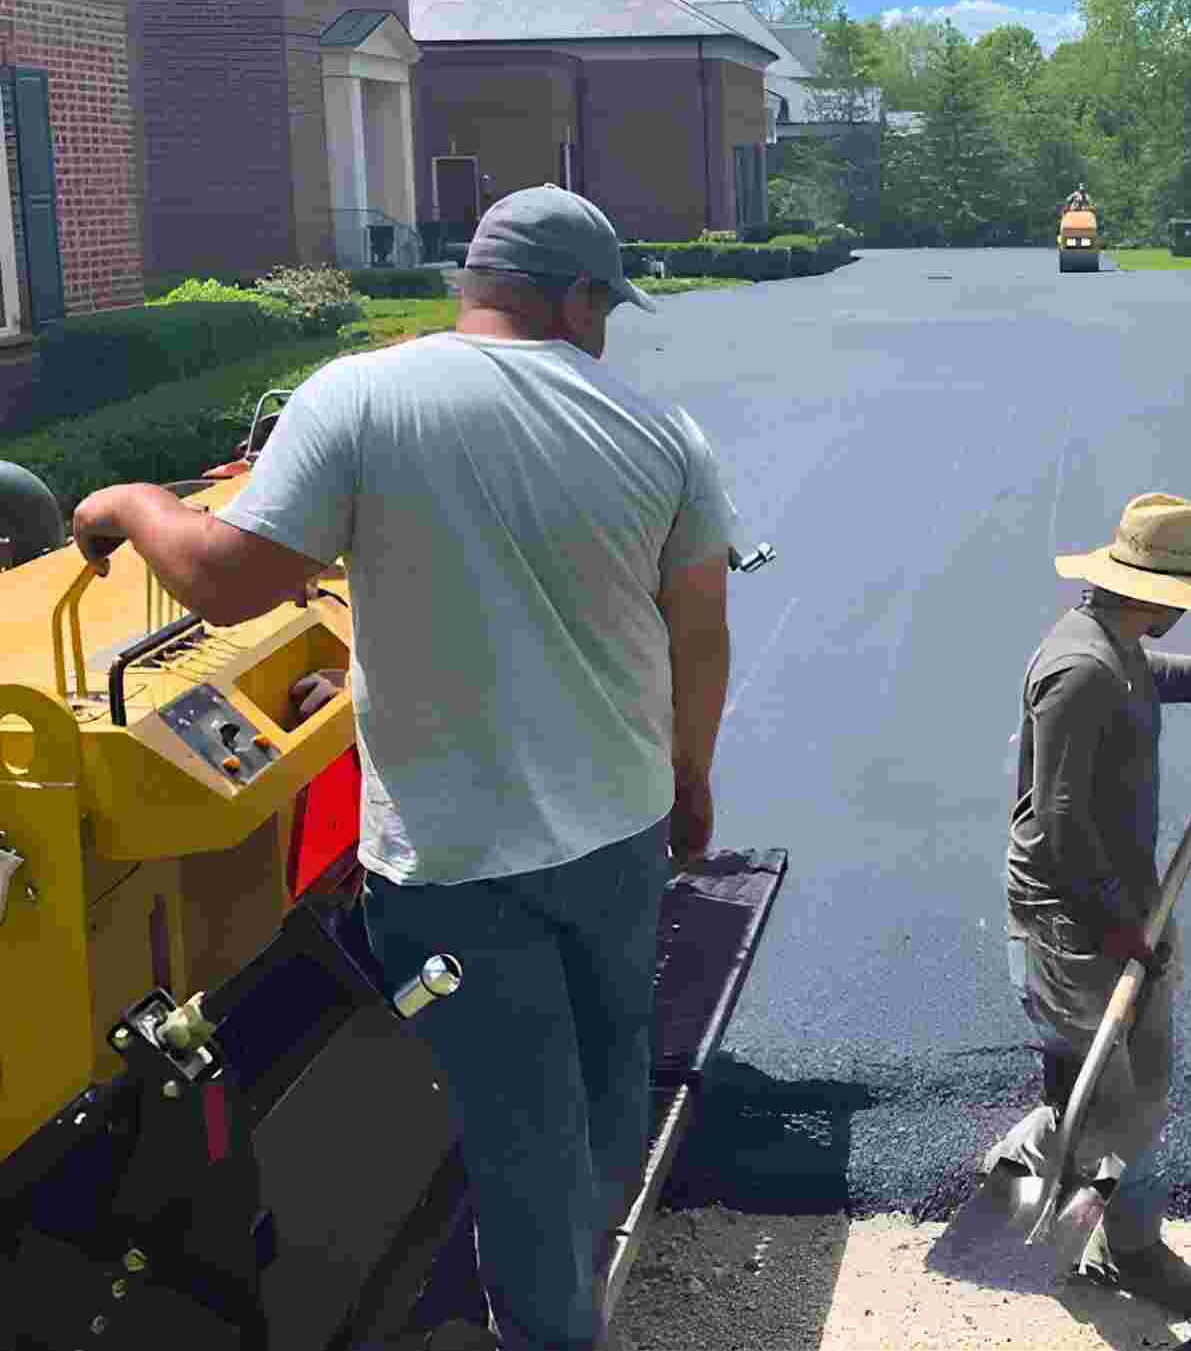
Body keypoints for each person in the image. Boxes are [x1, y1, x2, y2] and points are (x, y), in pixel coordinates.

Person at [70, 185, 737, 1351]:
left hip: (447, 870)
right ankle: (572, 1274)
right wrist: (692, 781)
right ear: (576, 300)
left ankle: (551, 1325)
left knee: (518, 1123)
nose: (604, 330)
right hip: (620, 837)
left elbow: (226, 580)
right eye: (605, 308)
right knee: (604, 1075)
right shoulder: (661, 430)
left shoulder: (361, 396)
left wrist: (133, 500)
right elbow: (700, 636)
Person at [985, 492, 1191, 1311]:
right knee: (1105, 1098)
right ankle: (1125, 1245)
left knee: (1131, 1086)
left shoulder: (1111, 643)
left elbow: (1143, 678)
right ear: (1157, 588)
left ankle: (1075, 1203)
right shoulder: (1080, 669)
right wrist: (1116, 918)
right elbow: (1059, 821)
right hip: (1073, 919)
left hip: (1118, 901)